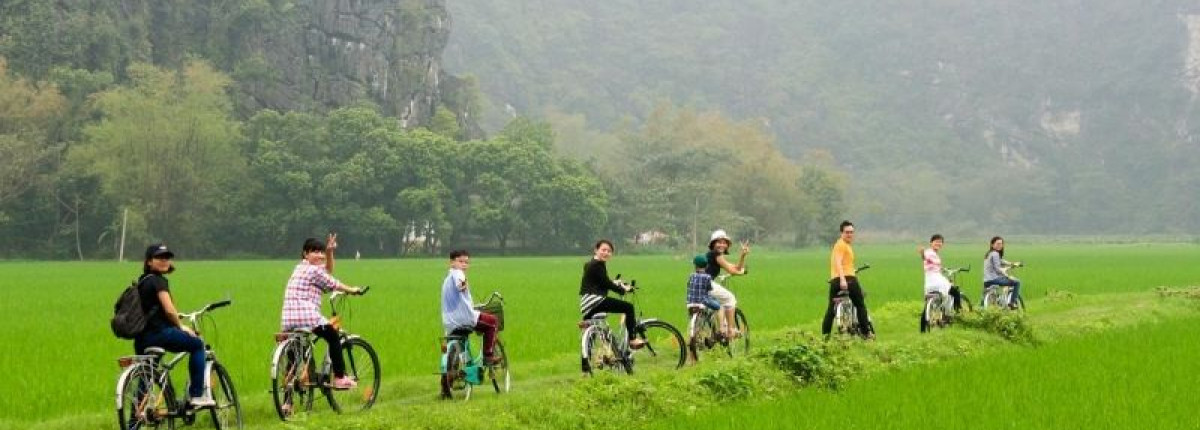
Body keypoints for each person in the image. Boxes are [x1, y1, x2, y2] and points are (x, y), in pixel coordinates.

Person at [131, 243, 214, 408]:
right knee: (197, 345)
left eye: (166, 257)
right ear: (149, 261)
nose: (164, 260)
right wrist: (180, 326)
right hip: (160, 334)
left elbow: (155, 309)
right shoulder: (158, 281)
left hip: (142, 339)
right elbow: (169, 310)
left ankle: (133, 422)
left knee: (147, 376)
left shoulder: (142, 282)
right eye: (159, 257)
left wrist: (175, 316)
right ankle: (196, 395)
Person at [280, 238, 364, 390]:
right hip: (306, 316)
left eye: (321, 252)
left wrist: (330, 252)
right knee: (332, 335)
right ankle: (339, 377)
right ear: (305, 254)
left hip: (288, 320)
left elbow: (327, 271)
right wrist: (352, 290)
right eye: (314, 252)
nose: (319, 255)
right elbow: (333, 283)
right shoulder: (314, 270)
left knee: (295, 355)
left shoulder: (300, 268)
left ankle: (287, 403)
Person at [579, 239, 641, 372]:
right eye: (603, 250)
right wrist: (623, 289)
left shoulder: (590, 264)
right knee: (628, 307)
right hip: (595, 300)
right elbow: (606, 283)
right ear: (596, 250)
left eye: (609, 251)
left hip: (586, 303)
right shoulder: (598, 265)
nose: (606, 253)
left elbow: (601, 281)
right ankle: (633, 339)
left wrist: (616, 282)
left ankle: (585, 370)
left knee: (590, 333)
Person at [440, 250, 500, 364]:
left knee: (462, 344)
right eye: (460, 261)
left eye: (466, 262)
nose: (463, 264)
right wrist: (463, 285)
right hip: (464, 319)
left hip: (449, 323)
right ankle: (488, 356)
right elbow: (460, 285)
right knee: (492, 321)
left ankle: (451, 373)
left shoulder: (446, 281)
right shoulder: (458, 274)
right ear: (451, 263)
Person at [821, 220, 875, 339]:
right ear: (841, 233)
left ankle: (825, 337)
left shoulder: (843, 245)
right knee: (860, 304)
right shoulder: (841, 245)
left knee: (831, 308)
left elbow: (844, 264)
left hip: (835, 279)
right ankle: (866, 333)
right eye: (847, 232)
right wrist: (843, 279)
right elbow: (838, 263)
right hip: (847, 279)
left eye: (851, 232)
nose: (850, 234)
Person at [705, 230, 749, 339]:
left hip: (700, 284)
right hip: (707, 283)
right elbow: (733, 271)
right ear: (713, 244)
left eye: (724, 242)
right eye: (719, 242)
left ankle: (720, 330)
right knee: (730, 299)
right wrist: (740, 273)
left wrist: (743, 255)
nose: (722, 244)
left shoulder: (713, 255)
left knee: (718, 305)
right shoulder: (716, 255)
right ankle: (731, 330)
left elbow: (736, 267)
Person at [920, 234, 956, 316]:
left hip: (931, 281)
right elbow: (925, 257)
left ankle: (942, 313)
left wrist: (943, 269)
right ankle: (951, 314)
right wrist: (922, 253)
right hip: (936, 280)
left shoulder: (934, 254)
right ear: (931, 243)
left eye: (940, 242)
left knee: (948, 293)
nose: (938, 243)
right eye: (936, 241)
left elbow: (934, 265)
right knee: (955, 292)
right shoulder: (929, 252)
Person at [983, 236, 1023, 308]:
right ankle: (1012, 303)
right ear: (992, 244)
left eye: (1001, 244)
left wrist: (1012, 264)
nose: (1000, 245)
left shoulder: (989, 254)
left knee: (986, 296)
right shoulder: (995, 254)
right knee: (1017, 282)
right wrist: (1007, 276)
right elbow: (998, 269)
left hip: (986, 281)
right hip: (994, 279)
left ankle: (982, 307)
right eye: (998, 244)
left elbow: (1001, 261)